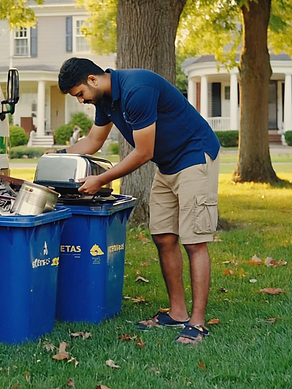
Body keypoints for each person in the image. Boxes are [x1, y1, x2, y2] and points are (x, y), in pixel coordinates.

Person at [53, 58, 220, 345]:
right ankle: (178, 313)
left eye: (80, 94)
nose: (81, 101)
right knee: (164, 237)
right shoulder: (104, 100)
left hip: (194, 157)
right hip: (167, 165)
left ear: (93, 79)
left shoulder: (136, 89)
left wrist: (101, 179)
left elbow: (143, 152)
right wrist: (57, 154)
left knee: (194, 241)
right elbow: (93, 142)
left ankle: (198, 323)